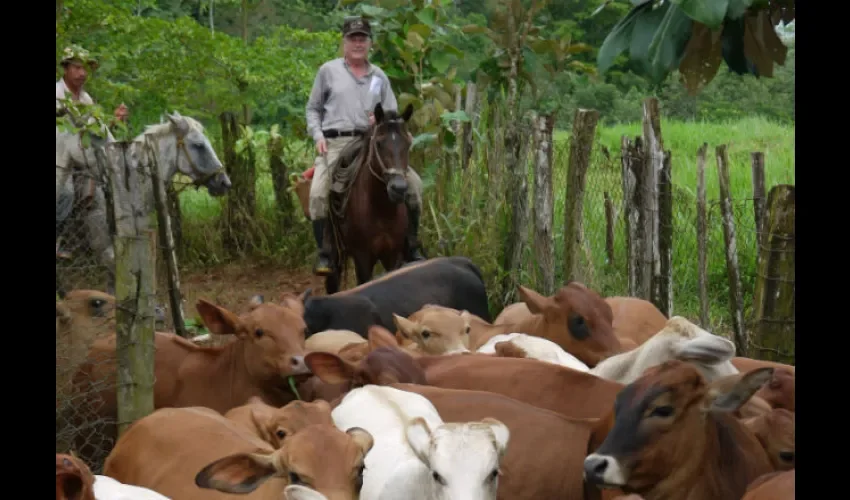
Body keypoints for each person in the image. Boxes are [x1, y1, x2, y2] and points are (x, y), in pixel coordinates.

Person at [305, 16, 425, 276]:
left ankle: (411, 246)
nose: (358, 43)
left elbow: (392, 114)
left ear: (370, 43)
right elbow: (313, 109)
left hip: (374, 142)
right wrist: (318, 135)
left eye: (363, 38)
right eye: (353, 38)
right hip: (337, 142)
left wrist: (385, 121)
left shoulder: (379, 76)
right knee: (318, 194)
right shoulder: (328, 71)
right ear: (344, 42)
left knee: (414, 186)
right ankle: (326, 252)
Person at [55, 44, 129, 260]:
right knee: (65, 193)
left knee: (98, 193)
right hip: (59, 159)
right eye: (77, 68)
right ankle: (58, 240)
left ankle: (97, 249)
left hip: (78, 161)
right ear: (66, 69)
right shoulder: (57, 94)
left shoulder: (86, 100)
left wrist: (113, 123)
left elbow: (97, 131)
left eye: (85, 69)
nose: (82, 73)